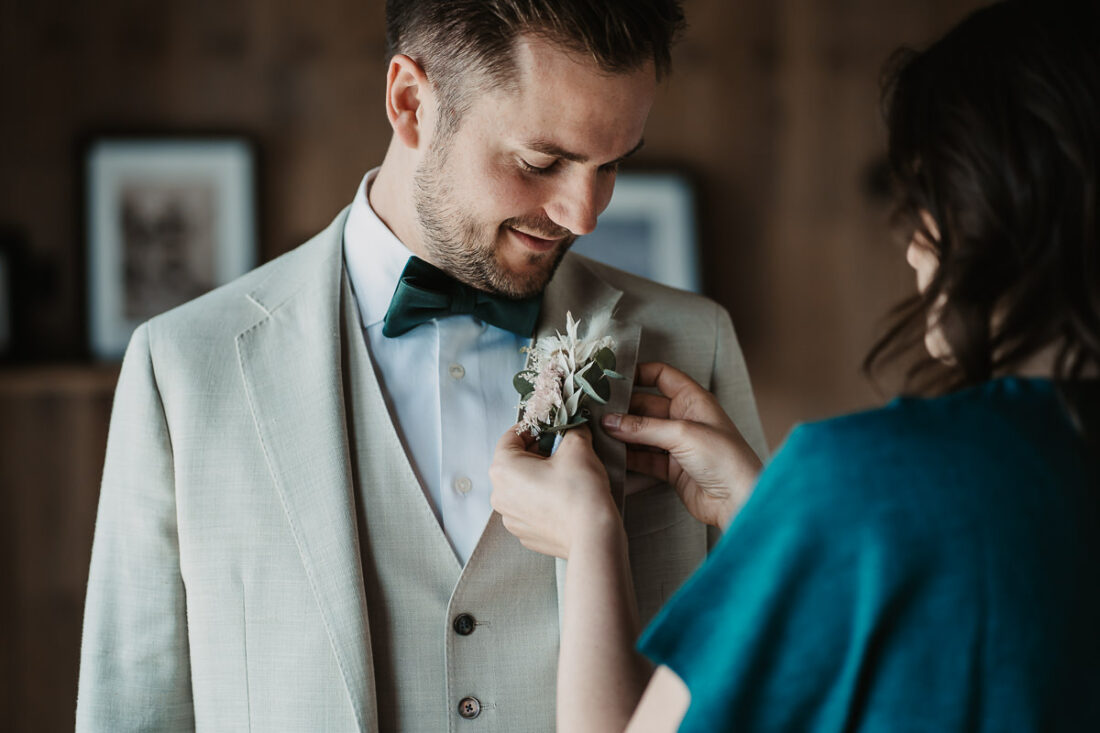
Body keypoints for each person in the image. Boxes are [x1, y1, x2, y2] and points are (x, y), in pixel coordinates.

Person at [75, 1, 770, 731]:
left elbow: (776, 683)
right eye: (541, 162)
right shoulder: (185, 368)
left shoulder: (691, 344)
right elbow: (134, 711)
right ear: (411, 102)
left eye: (611, 165)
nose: (583, 214)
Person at [489, 1, 1100, 730]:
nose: (913, 244)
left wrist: (590, 536)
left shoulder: (871, 478)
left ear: (997, 205)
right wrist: (774, 520)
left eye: (925, 196)